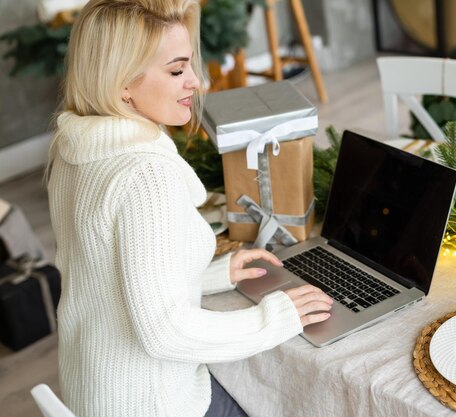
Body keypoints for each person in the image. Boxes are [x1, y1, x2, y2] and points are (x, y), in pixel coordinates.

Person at [46, 1, 333, 416]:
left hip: (94, 392)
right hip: (155, 404)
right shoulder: (145, 174)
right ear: (122, 82)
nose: (197, 82)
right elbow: (164, 332)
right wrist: (279, 317)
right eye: (178, 70)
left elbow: (107, 276)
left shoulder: (73, 147)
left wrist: (216, 274)